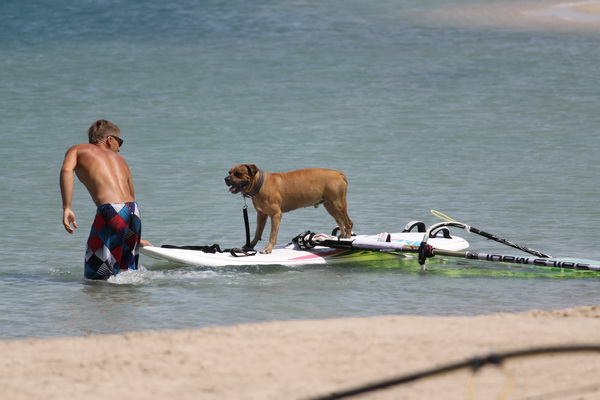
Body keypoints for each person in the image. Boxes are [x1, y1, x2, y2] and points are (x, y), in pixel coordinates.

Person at [60, 119, 152, 280]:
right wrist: (132, 235)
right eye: (120, 142)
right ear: (110, 139)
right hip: (133, 212)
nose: (120, 148)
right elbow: (131, 194)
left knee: (97, 275)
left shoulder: (77, 150)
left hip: (111, 210)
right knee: (126, 273)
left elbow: (66, 170)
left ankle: (102, 305)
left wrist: (67, 207)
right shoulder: (122, 161)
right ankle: (127, 303)